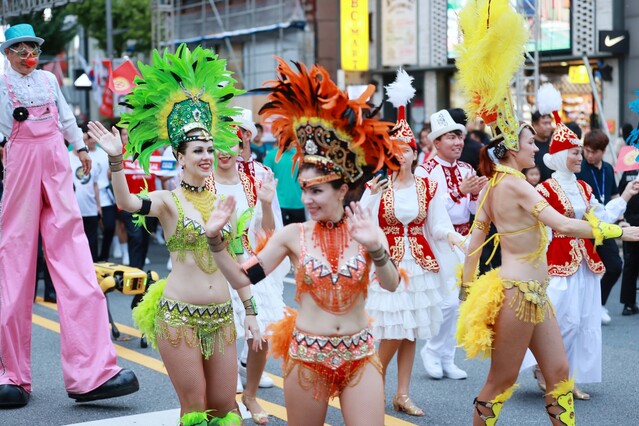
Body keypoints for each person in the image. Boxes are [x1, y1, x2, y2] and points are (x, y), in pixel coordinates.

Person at [453, 2, 639, 424]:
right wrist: (616, 233)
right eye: (529, 141)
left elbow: (476, 237)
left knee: (558, 372)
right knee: (501, 382)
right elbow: (560, 224)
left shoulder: (497, 184)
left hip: (535, 293)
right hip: (519, 294)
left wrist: (466, 284)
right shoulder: (515, 184)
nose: (535, 146)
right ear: (512, 149)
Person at [204, 58, 402, 426]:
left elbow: (390, 284)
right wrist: (216, 242)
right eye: (305, 190)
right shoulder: (293, 235)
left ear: (342, 189)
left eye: (317, 191)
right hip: (308, 356)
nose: (308, 199)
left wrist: (376, 248)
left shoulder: (365, 228)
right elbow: (244, 278)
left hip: (359, 354)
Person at [89, 45, 254, 425]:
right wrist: (117, 159)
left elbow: (236, 262)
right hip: (179, 316)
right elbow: (127, 202)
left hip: (222, 316)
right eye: (198, 150)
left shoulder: (223, 203)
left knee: (226, 408)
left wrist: (251, 312)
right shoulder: (167, 200)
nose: (207, 156)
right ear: (180, 157)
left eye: (210, 149)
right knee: (195, 409)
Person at [0, 23, 138, 408]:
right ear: (7, 53)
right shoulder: (1, 86)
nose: (27, 54)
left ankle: (93, 373)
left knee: (76, 261)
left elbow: (64, 118)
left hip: (56, 162)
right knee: (13, 264)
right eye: (20, 48)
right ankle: (10, 375)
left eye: (32, 47)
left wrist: (79, 148)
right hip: (20, 164)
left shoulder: (47, 80)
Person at [520, 85, 639, 401]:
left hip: (585, 262)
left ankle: (566, 377)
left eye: (579, 152)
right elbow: (538, 228)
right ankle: (547, 371)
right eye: (574, 152)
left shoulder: (584, 188)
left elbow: (599, 221)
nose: (579, 156)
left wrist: (625, 196)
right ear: (559, 156)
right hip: (556, 262)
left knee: (584, 320)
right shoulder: (544, 189)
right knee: (560, 319)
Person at [360, 71, 463, 417]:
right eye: (396, 149)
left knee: (411, 333)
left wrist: (454, 238)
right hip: (388, 267)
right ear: (389, 152)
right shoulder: (378, 186)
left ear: (416, 153)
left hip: (419, 266)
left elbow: (438, 223)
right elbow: (362, 221)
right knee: (391, 331)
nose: (403, 154)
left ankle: (402, 394)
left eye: (408, 149)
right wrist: (367, 200)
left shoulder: (428, 185)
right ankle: (366, 385)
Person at [206, 141, 287, 424]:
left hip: (250, 264)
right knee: (221, 336)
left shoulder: (253, 180)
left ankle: (250, 395)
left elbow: (268, 232)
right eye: (217, 145)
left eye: (233, 144)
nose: (225, 151)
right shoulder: (203, 181)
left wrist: (265, 203)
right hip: (213, 266)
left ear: (243, 146)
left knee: (260, 333)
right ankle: (225, 400)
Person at [416, 108, 487, 382]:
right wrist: (462, 192)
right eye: (451, 138)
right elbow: (432, 211)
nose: (458, 142)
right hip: (439, 242)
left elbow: (470, 208)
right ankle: (432, 352)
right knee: (445, 302)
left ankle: (447, 356)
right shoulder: (425, 171)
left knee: (461, 302)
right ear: (436, 142)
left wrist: (476, 195)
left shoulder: (467, 168)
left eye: (459, 136)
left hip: (464, 240)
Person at [575, 129, 623, 324]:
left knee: (614, 267)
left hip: (605, 225)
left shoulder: (609, 169)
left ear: (603, 151)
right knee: (584, 272)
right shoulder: (580, 168)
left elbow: (613, 196)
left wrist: (621, 220)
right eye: (586, 150)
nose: (589, 155)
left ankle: (598, 304)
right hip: (584, 226)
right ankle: (584, 308)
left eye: (594, 151)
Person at [69, 139, 101, 260]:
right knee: (74, 243)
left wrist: (98, 206)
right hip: (72, 210)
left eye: (84, 139)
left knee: (92, 242)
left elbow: (95, 184)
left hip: (90, 208)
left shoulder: (92, 159)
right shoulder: (66, 158)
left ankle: (93, 270)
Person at [264, 143, 305, 225]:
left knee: (300, 236)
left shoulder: (301, 155)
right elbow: (265, 178)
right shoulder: (271, 155)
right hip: (279, 204)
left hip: (299, 203)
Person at [531, 110, 555, 182]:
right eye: (545, 123)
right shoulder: (530, 145)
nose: (548, 127)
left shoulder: (554, 143)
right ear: (534, 125)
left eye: (549, 123)